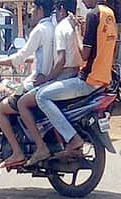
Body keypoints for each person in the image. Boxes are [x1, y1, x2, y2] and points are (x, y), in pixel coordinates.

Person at [0, 0, 56, 169]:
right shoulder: (53, 28)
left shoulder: (39, 30)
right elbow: (40, 56)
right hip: (48, 82)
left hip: (36, 84)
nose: (30, 11)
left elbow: (20, 56)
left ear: (40, 10)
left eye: (32, 7)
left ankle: (18, 152)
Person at [33, 0, 91, 159]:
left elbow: (61, 61)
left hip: (65, 74)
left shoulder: (61, 27)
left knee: (41, 96)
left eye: (55, 11)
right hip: (75, 74)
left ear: (61, 9)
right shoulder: (74, 26)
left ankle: (72, 138)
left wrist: (46, 78)